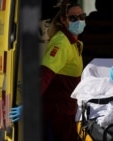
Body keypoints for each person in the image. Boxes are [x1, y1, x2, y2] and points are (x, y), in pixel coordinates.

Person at [40, 1, 86, 141]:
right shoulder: (62, 43)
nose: (79, 21)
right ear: (64, 20)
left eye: (82, 16)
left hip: (68, 110)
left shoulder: (74, 43)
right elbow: (45, 75)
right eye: (73, 18)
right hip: (58, 112)